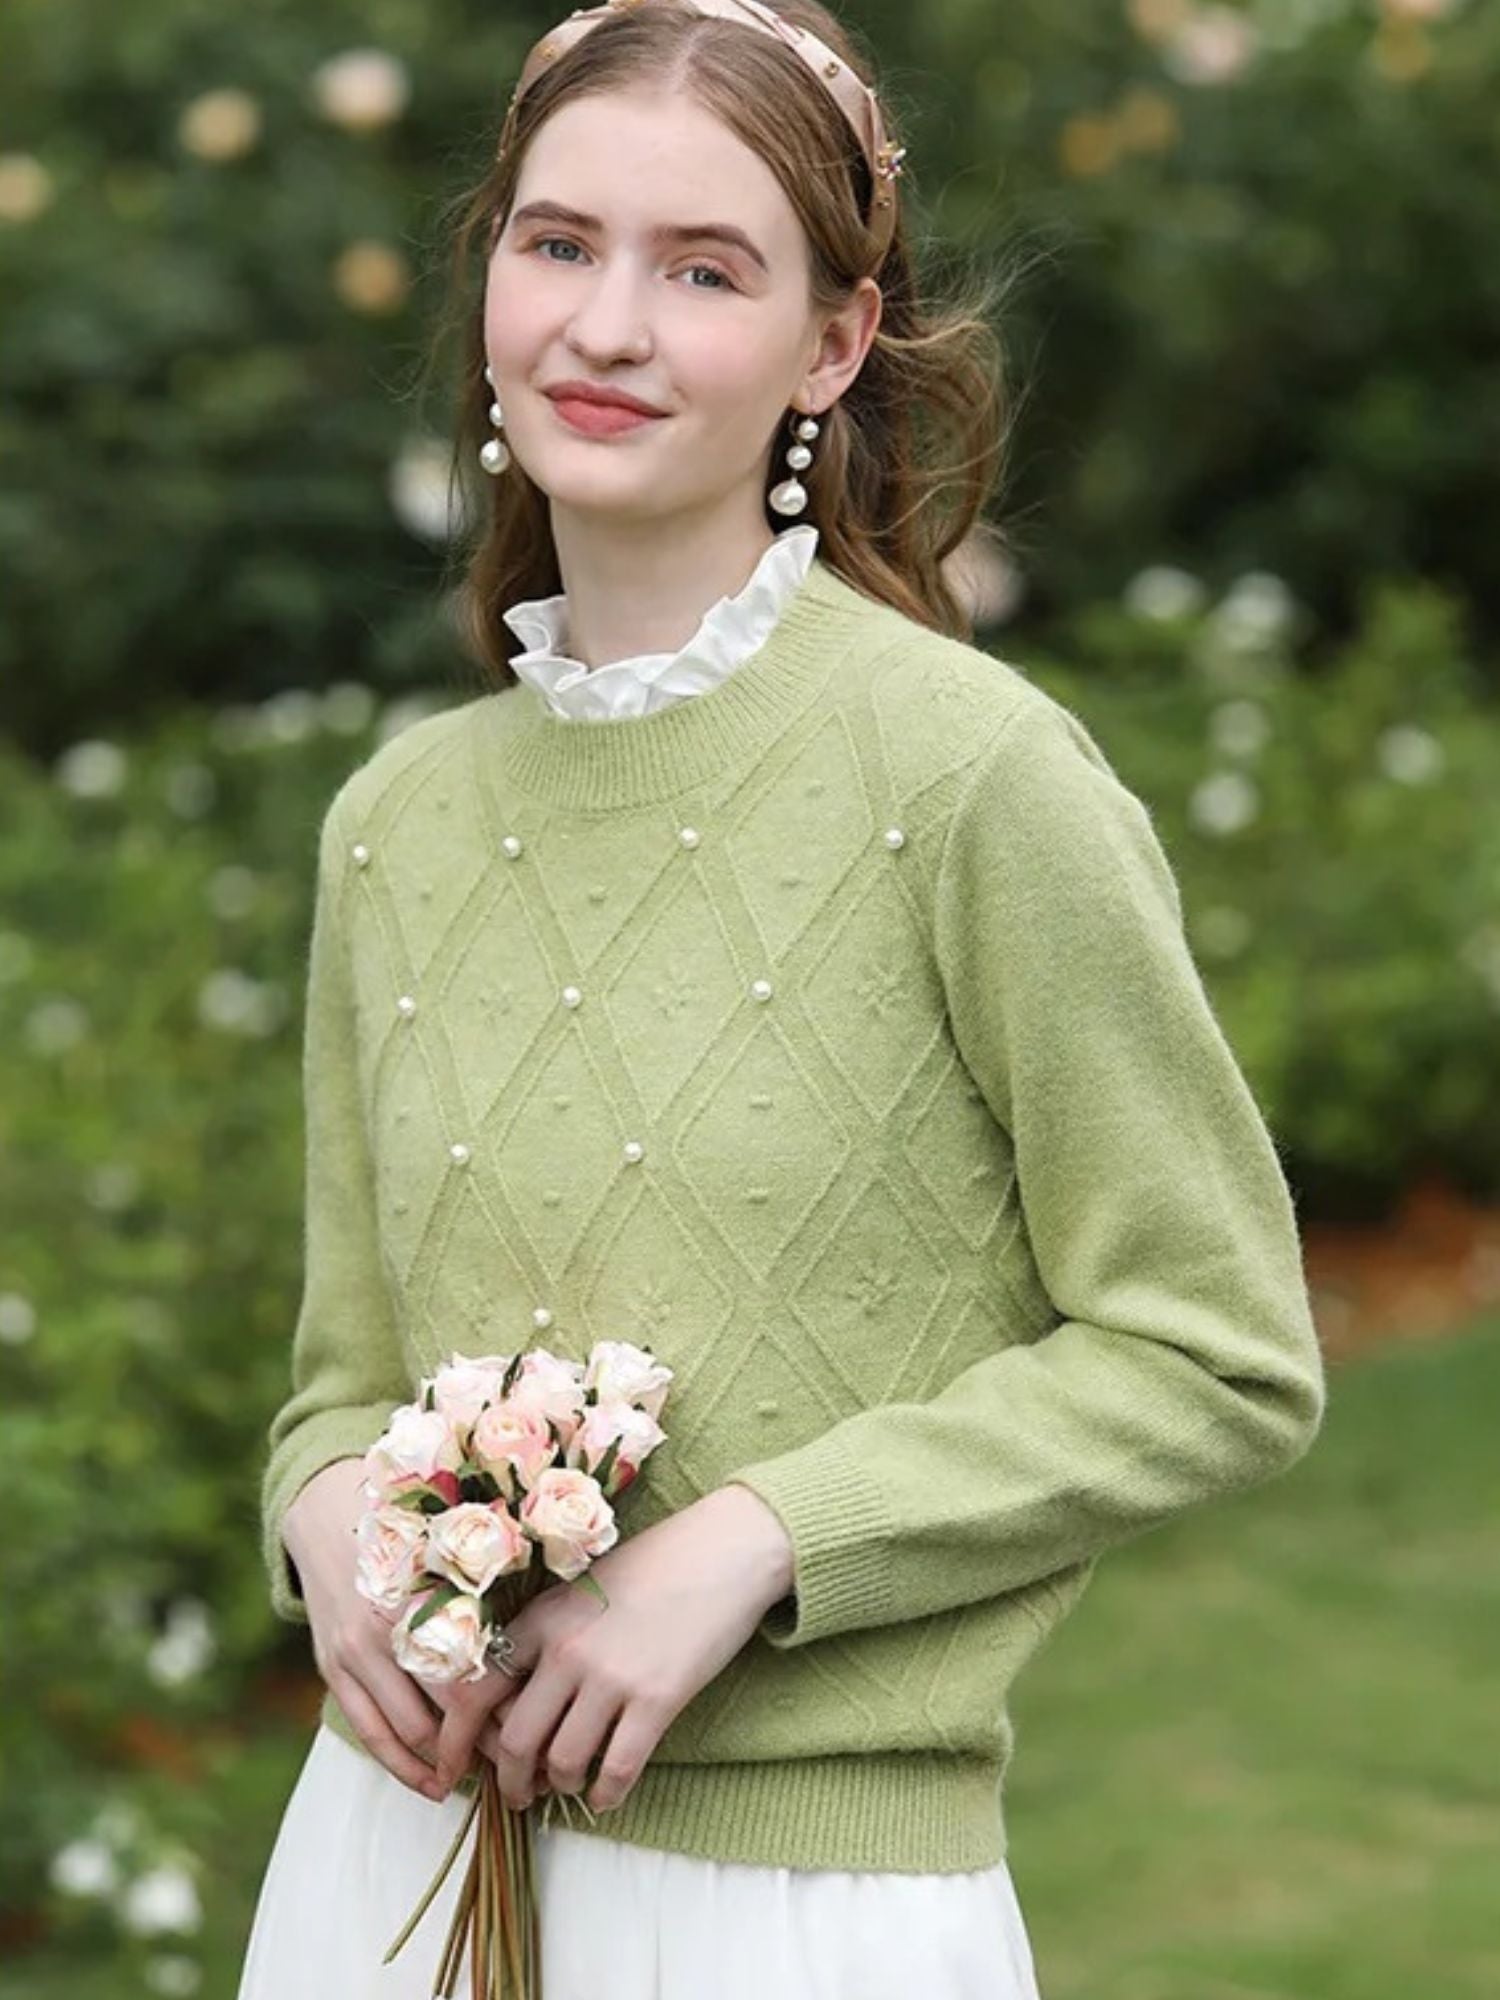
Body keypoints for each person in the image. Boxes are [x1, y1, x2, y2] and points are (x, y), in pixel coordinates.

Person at [236, 2, 1327, 1994]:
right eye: (558, 242)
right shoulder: (393, 826)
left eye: (705, 268)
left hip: (792, 1917)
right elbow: (344, 1364)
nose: (606, 324)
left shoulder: (972, 781)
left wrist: (750, 1548)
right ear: (488, 274)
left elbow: (1217, 1344)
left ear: (834, 345)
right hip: (379, 1879)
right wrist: (318, 1511)